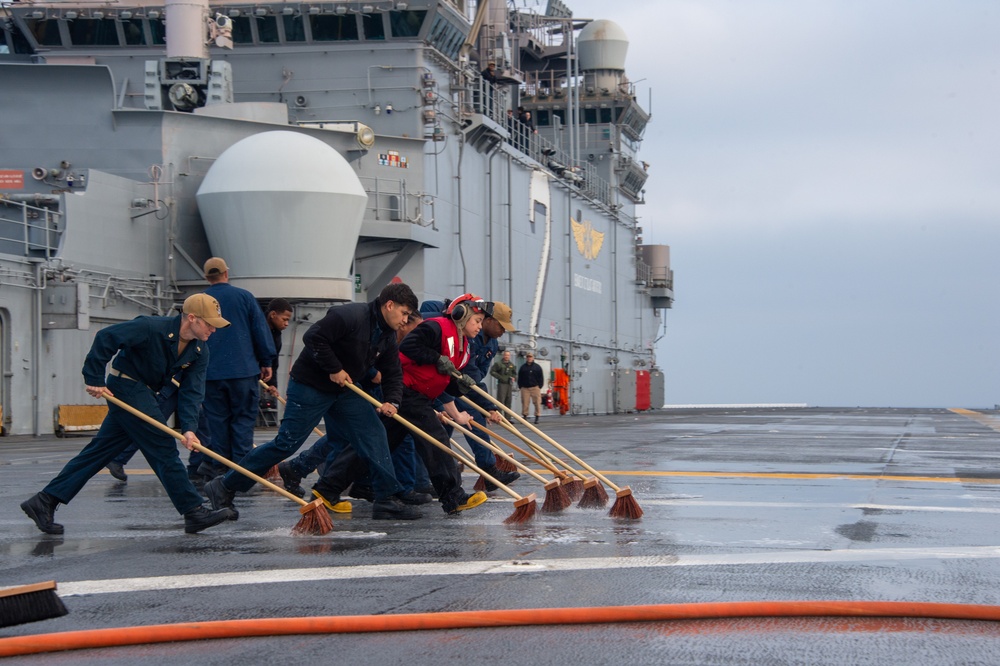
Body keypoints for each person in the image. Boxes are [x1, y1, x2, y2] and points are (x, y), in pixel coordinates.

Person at [203, 283, 422, 521]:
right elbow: (313, 337)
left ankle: (386, 499)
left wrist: (392, 401)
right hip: (310, 386)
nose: (405, 320)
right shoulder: (350, 315)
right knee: (286, 444)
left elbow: (392, 372)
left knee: (373, 433)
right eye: (404, 313)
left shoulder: (387, 334)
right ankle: (224, 486)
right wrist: (334, 368)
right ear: (389, 305)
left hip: (344, 390)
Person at [20, 294, 234, 535]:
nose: (213, 330)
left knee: (99, 452)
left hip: (146, 393)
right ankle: (193, 511)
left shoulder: (199, 350)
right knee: (162, 446)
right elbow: (106, 337)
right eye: (209, 323)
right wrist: (94, 378)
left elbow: (192, 391)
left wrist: (189, 429)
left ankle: (44, 501)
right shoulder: (151, 327)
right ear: (192, 318)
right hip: (125, 386)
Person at [311, 293, 492, 516]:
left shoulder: (464, 349)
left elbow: (445, 382)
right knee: (437, 441)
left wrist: (459, 385)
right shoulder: (436, 328)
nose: (479, 327)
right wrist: (436, 359)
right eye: (477, 321)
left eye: (482, 322)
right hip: (406, 393)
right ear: (461, 316)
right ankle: (453, 497)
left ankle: (326, 489)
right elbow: (408, 347)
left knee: (375, 443)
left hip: (419, 396)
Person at [199, 257, 276, 478]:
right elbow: (259, 330)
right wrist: (266, 361)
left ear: (207, 277)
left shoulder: (199, 300)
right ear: (226, 273)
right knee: (243, 419)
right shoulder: (244, 297)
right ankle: (242, 470)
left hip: (210, 373)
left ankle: (220, 467)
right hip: (243, 371)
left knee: (217, 421)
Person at [264, 298, 293, 393]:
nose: (286, 324)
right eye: (284, 319)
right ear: (273, 314)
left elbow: (274, 361)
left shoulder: (276, 335)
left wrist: (272, 384)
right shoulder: (255, 328)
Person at [518, 352, 544, 424]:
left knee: (537, 402)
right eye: (528, 357)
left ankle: (537, 417)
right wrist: (520, 386)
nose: (529, 358)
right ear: (526, 358)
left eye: (530, 357)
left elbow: (541, 377)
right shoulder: (523, 367)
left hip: (535, 387)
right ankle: (525, 416)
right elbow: (520, 377)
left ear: (533, 358)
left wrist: (540, 386)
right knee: (525, 402)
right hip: (525, 388)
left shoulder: (537, 367)